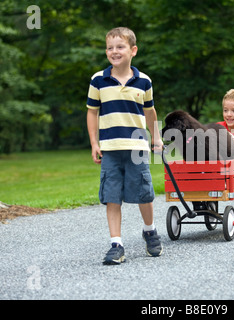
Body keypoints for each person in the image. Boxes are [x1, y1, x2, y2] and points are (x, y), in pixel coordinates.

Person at [86, 27, 164, 265]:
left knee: (143, 193)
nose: (114, 51)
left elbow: (150, 112)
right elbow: (92, 113)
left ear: (133, 50)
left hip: (137, 147)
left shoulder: (144, 81)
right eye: (110, 47)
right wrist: (94, 143)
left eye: (120, 47)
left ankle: (149, 230)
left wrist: (157, 138)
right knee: (112, 197)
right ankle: (116, 244)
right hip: (109, 148)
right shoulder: (98, 80)